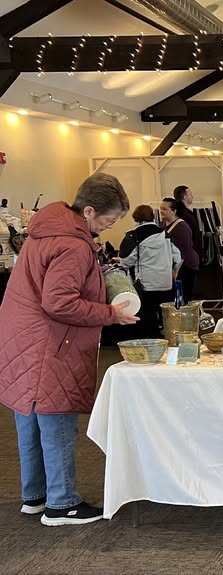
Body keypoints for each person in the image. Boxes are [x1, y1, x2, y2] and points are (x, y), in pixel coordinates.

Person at [0, 173, 138, 526]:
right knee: (57, 421)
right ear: (89, 211)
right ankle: (62, 504)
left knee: (30, 422)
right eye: (108, 221)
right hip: (51, 343)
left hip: (24, 342)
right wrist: (111, 313)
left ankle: (37, 496)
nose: (108, 228)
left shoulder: (43, 232)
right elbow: (59, 303)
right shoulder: (74, 245)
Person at [118, 205, 182, 339]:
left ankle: (153, 340)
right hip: (165, 281)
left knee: (148, 313)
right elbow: (177, 257)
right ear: (152, 216)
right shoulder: (165, 234)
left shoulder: (133, 236)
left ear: (135, 218)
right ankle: (171, 337)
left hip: (146, 282)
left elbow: (126, 260)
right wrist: (173, 271)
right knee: (166, 312)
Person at [159, 197, 199, 302]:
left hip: (186, 266)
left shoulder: (182, 227)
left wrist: (176, 271)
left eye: (165, 209)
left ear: (174, 211)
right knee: (175, 298)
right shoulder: (163, 224)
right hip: (174, 265)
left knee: (182, 297)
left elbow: (184, 251)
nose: (161, 211)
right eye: (161, 208)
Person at [173, 185, 202, 266]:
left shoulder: (182, 213)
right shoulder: (183, 215)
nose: (192, 196)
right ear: (185, 197)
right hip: (187, 259)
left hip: (187, 257)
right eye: (190, 194)